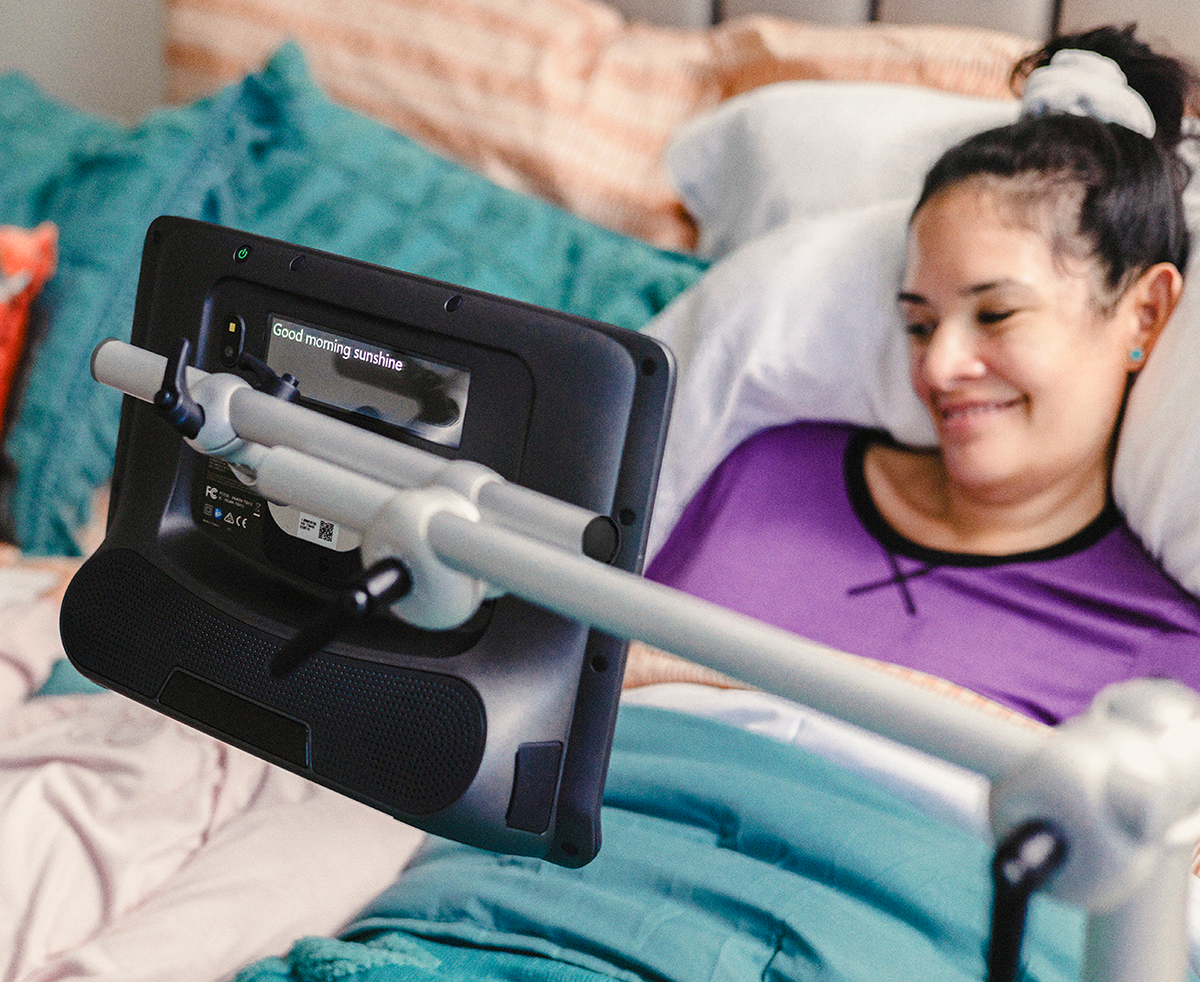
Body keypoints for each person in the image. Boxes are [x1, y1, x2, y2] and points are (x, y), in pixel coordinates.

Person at [643, 25, 1200, 725]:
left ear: (1145, 314)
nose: (937, 367)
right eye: (919, 325)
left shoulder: (1165, 654)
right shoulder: (750, 471)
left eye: (996, 314)